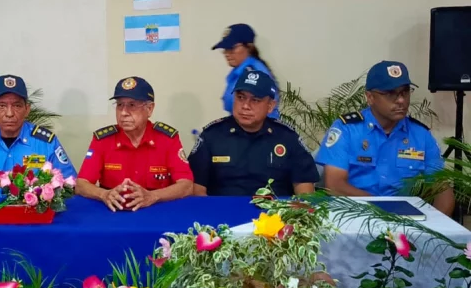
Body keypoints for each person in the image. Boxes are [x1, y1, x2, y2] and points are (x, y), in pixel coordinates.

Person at [315, 61, 455, 216]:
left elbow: (441, 188)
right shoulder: (347, 129)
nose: (401, 100)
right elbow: (335, 185)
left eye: (405, 92)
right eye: (390, 93)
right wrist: (384, 211)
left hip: (406, 220)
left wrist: (436, 228)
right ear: (370, 97)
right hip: (353, 215)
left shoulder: (421, 135)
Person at [188, 70, 319, 196]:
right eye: (240, 97)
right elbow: (197, 189)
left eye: (255, 100)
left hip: (275, 214)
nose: (245, 106)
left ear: (270, 106)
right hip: (223, 214)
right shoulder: (212, 135)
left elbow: (304, 189)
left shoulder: (287, 137)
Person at [76, 76, 194, 211]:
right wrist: (103, 194)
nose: (124, 112)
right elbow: (81, 184)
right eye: (120, 105)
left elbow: (186, 185)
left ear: (149, 109)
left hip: (157, 211)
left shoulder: (167, 139)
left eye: (132, 105)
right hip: (114, 212)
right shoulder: (103, 140)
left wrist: (153, 196)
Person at [0, 75, 77, 198]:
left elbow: (70, 184)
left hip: (33, 215)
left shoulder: (46, 143)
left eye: (17, 106)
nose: (9, 113)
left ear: (27, 109)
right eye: (2, 106)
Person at [212, 23, 280, 119]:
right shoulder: (237, 72)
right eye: (225, 49)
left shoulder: (254, 74)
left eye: (232, 48)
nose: (227, 54)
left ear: (249, 47)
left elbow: (253, 116)